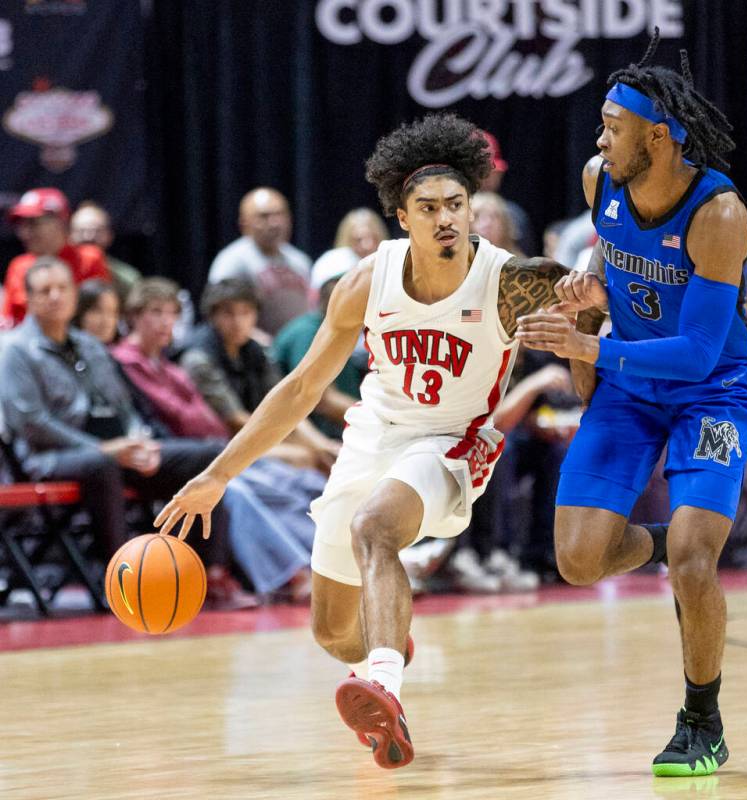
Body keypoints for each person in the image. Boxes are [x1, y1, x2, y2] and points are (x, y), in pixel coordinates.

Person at [154, 112, 568, 769]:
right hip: (375, 433)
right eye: (428, 207)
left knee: (376, 527)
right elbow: (299, 390)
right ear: (401, 216)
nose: (445, 219)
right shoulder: (365, 281)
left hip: (453, 441)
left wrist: (591, 322)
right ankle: (386, 648)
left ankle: (385, 688)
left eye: (456, 205)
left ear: (471, 207)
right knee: (332, 633)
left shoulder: (512, 279)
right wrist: (217, 475)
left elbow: (607, 312)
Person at [516, 33, 747, 777]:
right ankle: (662, 546)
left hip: (709, 393)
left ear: (657, 137)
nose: (599, 139)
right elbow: (608, 256)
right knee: (579, 560)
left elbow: (694, 352)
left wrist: (590, 350)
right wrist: (589, 294)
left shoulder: (719, 215)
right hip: (628, 389)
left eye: (611, 127)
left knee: (696, 563)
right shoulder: (602, 180)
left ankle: (702, 718)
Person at [0, 258, 254, 609]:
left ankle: (210, 574)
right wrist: (106, 448)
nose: (55, 296)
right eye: (45, 291)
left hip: (114, 450)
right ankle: (121, 579)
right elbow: (32, 423)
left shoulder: (90, 346)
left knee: (207, 456)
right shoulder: (14, 350)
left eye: (62, 288)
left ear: (74, 296)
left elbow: (124, 407)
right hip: (49, 457)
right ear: (28, 298)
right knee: (101, 464)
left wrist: (141, 442)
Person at [111, 278, 324, 602]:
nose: (166, 321)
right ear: (133, 317)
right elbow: (183, 420)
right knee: (235, 491)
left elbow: (208, 418)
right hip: (179, 460)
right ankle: (291, 574)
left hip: (212, 451)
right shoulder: (127, 363)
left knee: (298, 483)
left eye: (172, 313)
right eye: (156, 312)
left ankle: (337, 563)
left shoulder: (168, 365)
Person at [179, 279, 340, 473]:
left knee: (329, 454)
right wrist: (305, 445)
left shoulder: (257, 351)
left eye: (245, 312)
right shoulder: (198, 358)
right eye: (228, 313)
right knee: (304, 457)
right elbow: (234, 418)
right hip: (217, 444)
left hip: (254, 433)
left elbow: (284, 405)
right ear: (212, 316)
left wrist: (321, 444)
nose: (238, 322)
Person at [273, 247, 365, 439]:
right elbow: (323, 400)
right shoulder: (307, 332)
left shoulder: (348, 331)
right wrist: (379, 421)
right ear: (324, 291)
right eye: (346, 283)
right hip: (306, 440)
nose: (358, 292)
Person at [207, 187, 313, 336]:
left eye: (280, 214)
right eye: (264, 216)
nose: (274, 222)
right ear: (244, 223)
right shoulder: (233, 261)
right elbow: (219, 315)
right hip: (256, 354)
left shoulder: (300, 260)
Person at [2, 188, 110, 327]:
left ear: (60, 223)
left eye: (33, 223)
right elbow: (8, 322)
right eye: (21, 225)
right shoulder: (18, 266)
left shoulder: (89, 259)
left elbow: (102, 315)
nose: (25, 233)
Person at [69, 201, 142, 302]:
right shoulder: (58, 271)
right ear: (69, 235)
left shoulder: (127, 278)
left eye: (96, 231)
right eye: (81, 231)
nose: (89, 236)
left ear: (109, 235)